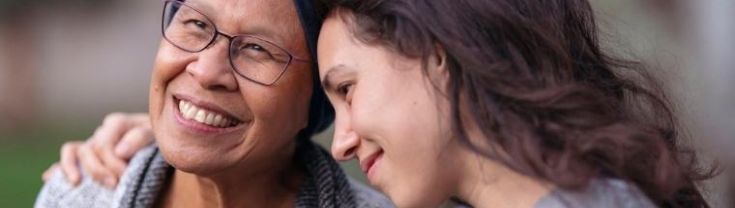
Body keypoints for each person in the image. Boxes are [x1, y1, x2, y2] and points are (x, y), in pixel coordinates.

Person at [46, 0, 715, 207]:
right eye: (193, 25)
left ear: (436, 55)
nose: (208, 68)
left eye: (344, 90)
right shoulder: (85, 189)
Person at [35, 0, 391, 207]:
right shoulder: (79, 194)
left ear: (318, 97)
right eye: (196, 24)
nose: (206, 71)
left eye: (257, 48)